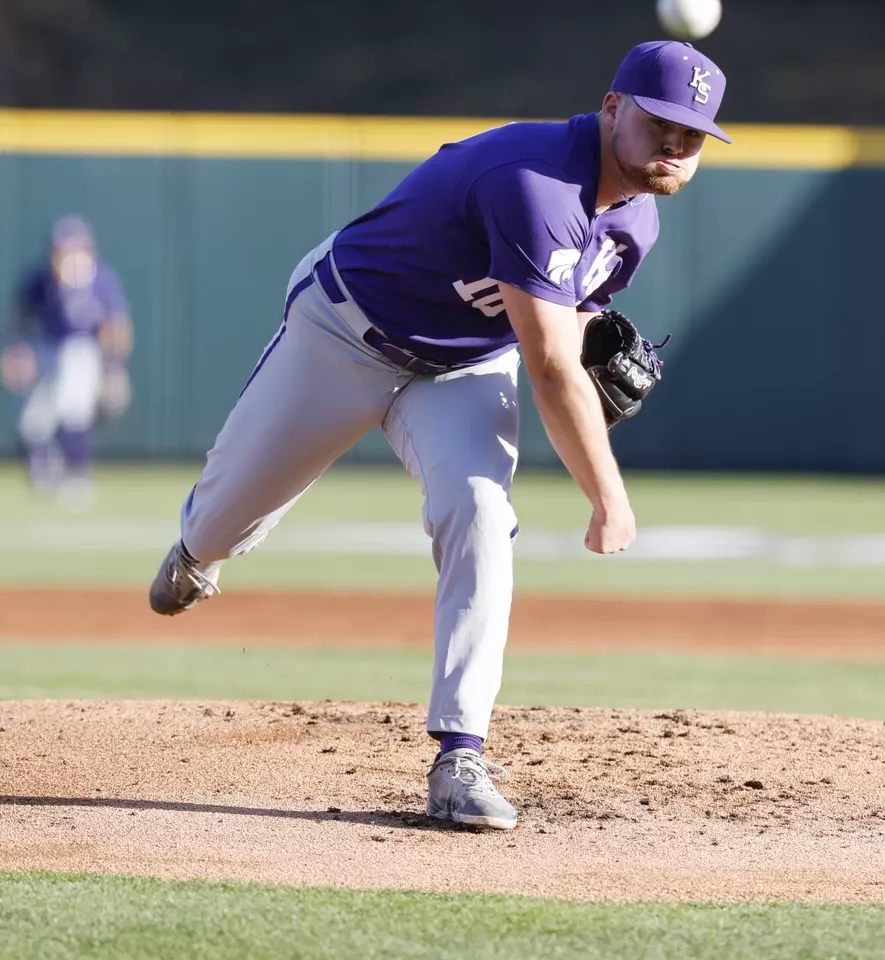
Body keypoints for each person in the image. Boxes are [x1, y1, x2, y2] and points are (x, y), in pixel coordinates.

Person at [150, 40, 730, 830]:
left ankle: (460, 755)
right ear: (611, 108)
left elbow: (572, 326)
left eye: (693, 134)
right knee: (222, 519)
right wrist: (608, 497)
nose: (674, 143)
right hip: (345, 332)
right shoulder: (534, 180)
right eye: (660, 120)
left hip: (461, 368)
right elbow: (553, 366)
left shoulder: (636, 226)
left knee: (483, 516)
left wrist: (590, 339)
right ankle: (197, 553)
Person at [0, 215, 133, 510]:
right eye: (63, 250)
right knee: (30, 422)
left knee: (74, 408)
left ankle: (78, 476)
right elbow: (19, 320)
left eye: (76, 249)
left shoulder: (101, 279)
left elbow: (116, 325)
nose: (69, 257)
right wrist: (16, 352)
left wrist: (114, 367)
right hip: (46, 348)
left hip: (83, 350)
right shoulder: (40, 279)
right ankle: (47, 470)